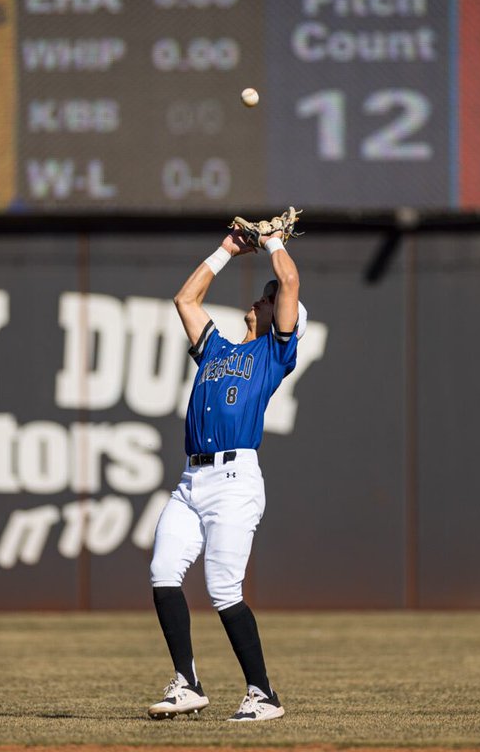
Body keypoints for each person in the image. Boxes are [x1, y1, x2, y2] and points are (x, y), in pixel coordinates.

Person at [146, 222, 307, 722]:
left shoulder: (273, 353)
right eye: (266, 295)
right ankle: (187, 684)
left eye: (270, 298)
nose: (263, 299)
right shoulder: (219, 349)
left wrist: (273, 241)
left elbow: (290, 282)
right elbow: (185, 301)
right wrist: (226, 250)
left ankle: (263, 694)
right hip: (191, 480)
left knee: (223, 589)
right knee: (163, 572)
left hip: (235, 482)